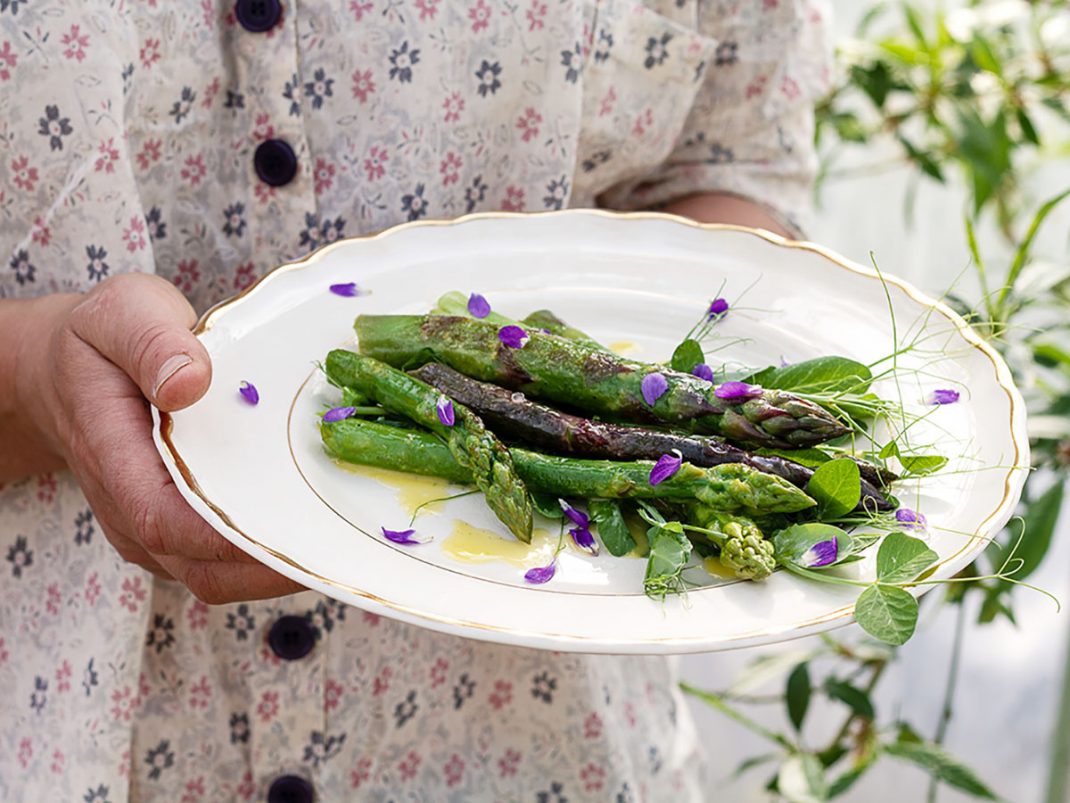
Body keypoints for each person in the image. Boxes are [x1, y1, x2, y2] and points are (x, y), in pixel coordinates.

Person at [0, 1, 828, 799]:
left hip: (542, 744)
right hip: (72, 730)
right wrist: (36, 377)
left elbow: (738, 170)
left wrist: (648, 397)